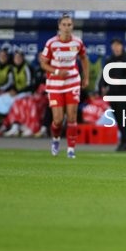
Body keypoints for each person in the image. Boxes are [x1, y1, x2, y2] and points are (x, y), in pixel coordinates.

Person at [39, 13, 89, 158]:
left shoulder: (77, 43)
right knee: (58, 119)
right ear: (59, 26)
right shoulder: (52, 43)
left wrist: (85, 78)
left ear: (72, 26)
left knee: (72, 117)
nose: (67, 28)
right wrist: (56, 71)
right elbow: (43, 63)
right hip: (55, 83)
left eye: (69, 25)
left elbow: (84, 59)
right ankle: (55, 139)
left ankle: (71, 149)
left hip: (72, 81)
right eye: (64, 25)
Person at [99, 38, 126, 151]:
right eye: (114, 45)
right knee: (117, 117)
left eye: (118, 45)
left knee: (122, 117)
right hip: (112, 93)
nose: (116, 47)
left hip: (124, 93)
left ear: (122, 46)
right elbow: (104, 75)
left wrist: (118, 81)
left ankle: (125, 141)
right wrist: (102, 87)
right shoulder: (109, 60)